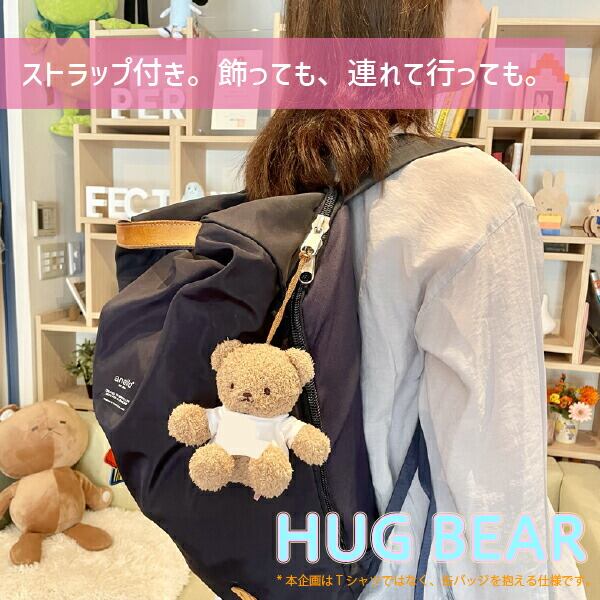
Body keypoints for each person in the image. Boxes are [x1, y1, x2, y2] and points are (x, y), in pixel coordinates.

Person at [245, 0, 585, 599]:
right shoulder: (473, 198)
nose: (485, 14)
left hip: (287, 563)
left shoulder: (277, 177)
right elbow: (498, 488)